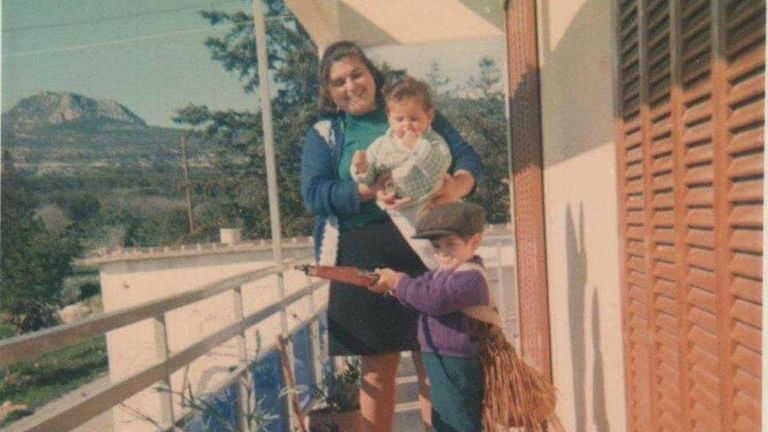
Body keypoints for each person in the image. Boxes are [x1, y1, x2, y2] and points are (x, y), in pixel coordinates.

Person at [300, 40, 483, 432]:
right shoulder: (325, 133)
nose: (350, 86)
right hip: (360, 255)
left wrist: (457, 187)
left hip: (426, 253)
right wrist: (366, 190)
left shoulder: (407, 108)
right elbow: (315, 194)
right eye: (338, 82)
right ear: (329, 92)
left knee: (432, 361)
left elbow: (467, 155)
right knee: (377, 371)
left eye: (356, 74)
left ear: (371, 73)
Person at [370, 202, 489, 432]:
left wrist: (398, 283)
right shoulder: (442, 273)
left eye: (451, 245)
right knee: (444, 416)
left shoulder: (471, 278)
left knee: (460, 419)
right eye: (437, 247)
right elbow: (417, 290)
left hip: (458, 362)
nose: (443, 253)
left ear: (475, 242)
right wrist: (392, 284)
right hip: (439, 357)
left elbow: (434, 300)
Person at [350, 75, 451, 268]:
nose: (406, 126)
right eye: (399, 119)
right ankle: (440, 275)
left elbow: (439, 167)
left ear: (429, 116)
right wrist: (360, 168)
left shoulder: (433, 142)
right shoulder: (381, 146)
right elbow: (369, 177)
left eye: (414, 119)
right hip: (403, 210)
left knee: (451, 241)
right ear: (389, 118)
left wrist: (418, 147)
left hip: (431, 201)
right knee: (424, 248)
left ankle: (457, 274)